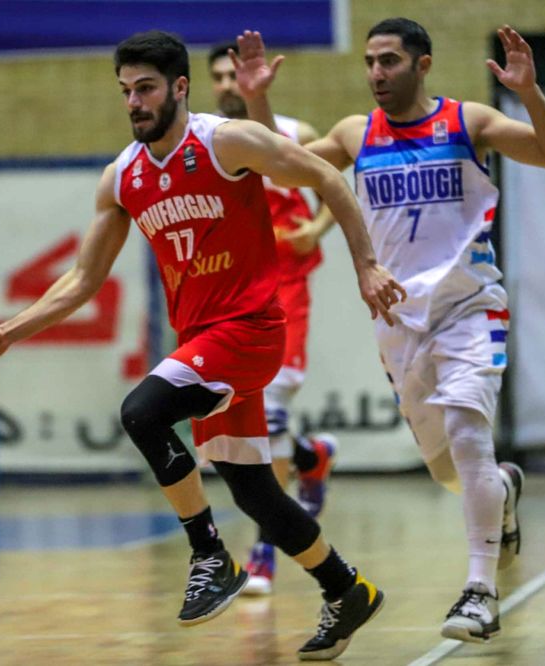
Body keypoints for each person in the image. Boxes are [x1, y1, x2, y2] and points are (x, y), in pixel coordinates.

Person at [0, 30, 406, 661]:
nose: (134, 102)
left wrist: (366, 265)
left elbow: (326, 177)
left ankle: (209, 555)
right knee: (253, 491)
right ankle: (347, 589)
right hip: (204, 340)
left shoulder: (227, 142)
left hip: (250, 328)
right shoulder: (122, 177)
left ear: (179, 87)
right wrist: (8, 334)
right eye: (125, 90)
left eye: (145, 88)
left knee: (141, 412)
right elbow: (82, 280)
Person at [273, 18, 545, 642]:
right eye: (369, 62)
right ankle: (503, 490)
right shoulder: (355, 133)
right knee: (447, 472)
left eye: (389, 60)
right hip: (398, 322)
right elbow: (283, 170)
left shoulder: (469, 122)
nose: (376, 73)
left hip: (469, 308)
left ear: (423, 64)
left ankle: (479, 592)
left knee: (468, 432)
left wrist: (530, 93)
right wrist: (256, 101)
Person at [209, 33, 338, 597]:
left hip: (285, 284)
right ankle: (312, 457)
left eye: (232, 75)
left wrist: (318, 227)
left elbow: (333, 180)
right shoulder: (205, 142)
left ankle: (264, 551)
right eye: (217, 77)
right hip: (233, 290)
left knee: (273, 410)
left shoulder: (293, 132)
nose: (226, 85)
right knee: (240, 418)